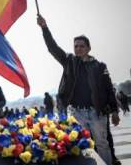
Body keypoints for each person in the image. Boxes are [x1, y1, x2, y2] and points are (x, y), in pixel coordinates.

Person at [37, 14, 120, 165]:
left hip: (97, 112)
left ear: (88, 48)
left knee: (102, 144)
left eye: (82, 46)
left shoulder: (100, 66)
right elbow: (52, 48)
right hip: (77, 113)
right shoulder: (69, 61)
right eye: (76, 46)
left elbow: (109, 90)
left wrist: (114, 111)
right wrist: (44, 28)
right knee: (81, 145)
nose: (78, 48)